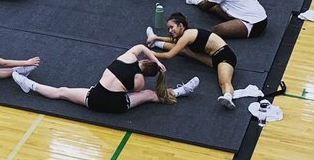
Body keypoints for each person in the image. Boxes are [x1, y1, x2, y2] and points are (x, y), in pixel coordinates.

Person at [11, 43, 198, 110]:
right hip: (116, 106)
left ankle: (28, 83)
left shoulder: (127, 57)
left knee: (62, 92)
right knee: (149, 95)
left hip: (93, 98)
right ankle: (180, 91)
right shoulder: (139, 81)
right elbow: (134, 91)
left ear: (141, 61)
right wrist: (157, 68)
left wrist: (156, 60)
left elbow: (141, 47)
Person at [146, 15, 238, 109]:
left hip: (225, 56)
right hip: (212, 58)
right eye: (168, 28)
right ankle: (156, 43)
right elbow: (175, 41)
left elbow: (169, 55)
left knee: (224, 81)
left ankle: (228, 97)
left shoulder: (187, 35)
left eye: (171, 27)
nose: (170, 31)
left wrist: (151, 53)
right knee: (183, 49)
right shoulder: (184, 35)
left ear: (181, 25)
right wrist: (156, 38)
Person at [185, 0, 268, 40]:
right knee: (216, 7)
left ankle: (192, 37)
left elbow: (205, 6)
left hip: (254, 24)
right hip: (260, 19)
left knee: (216, 30)